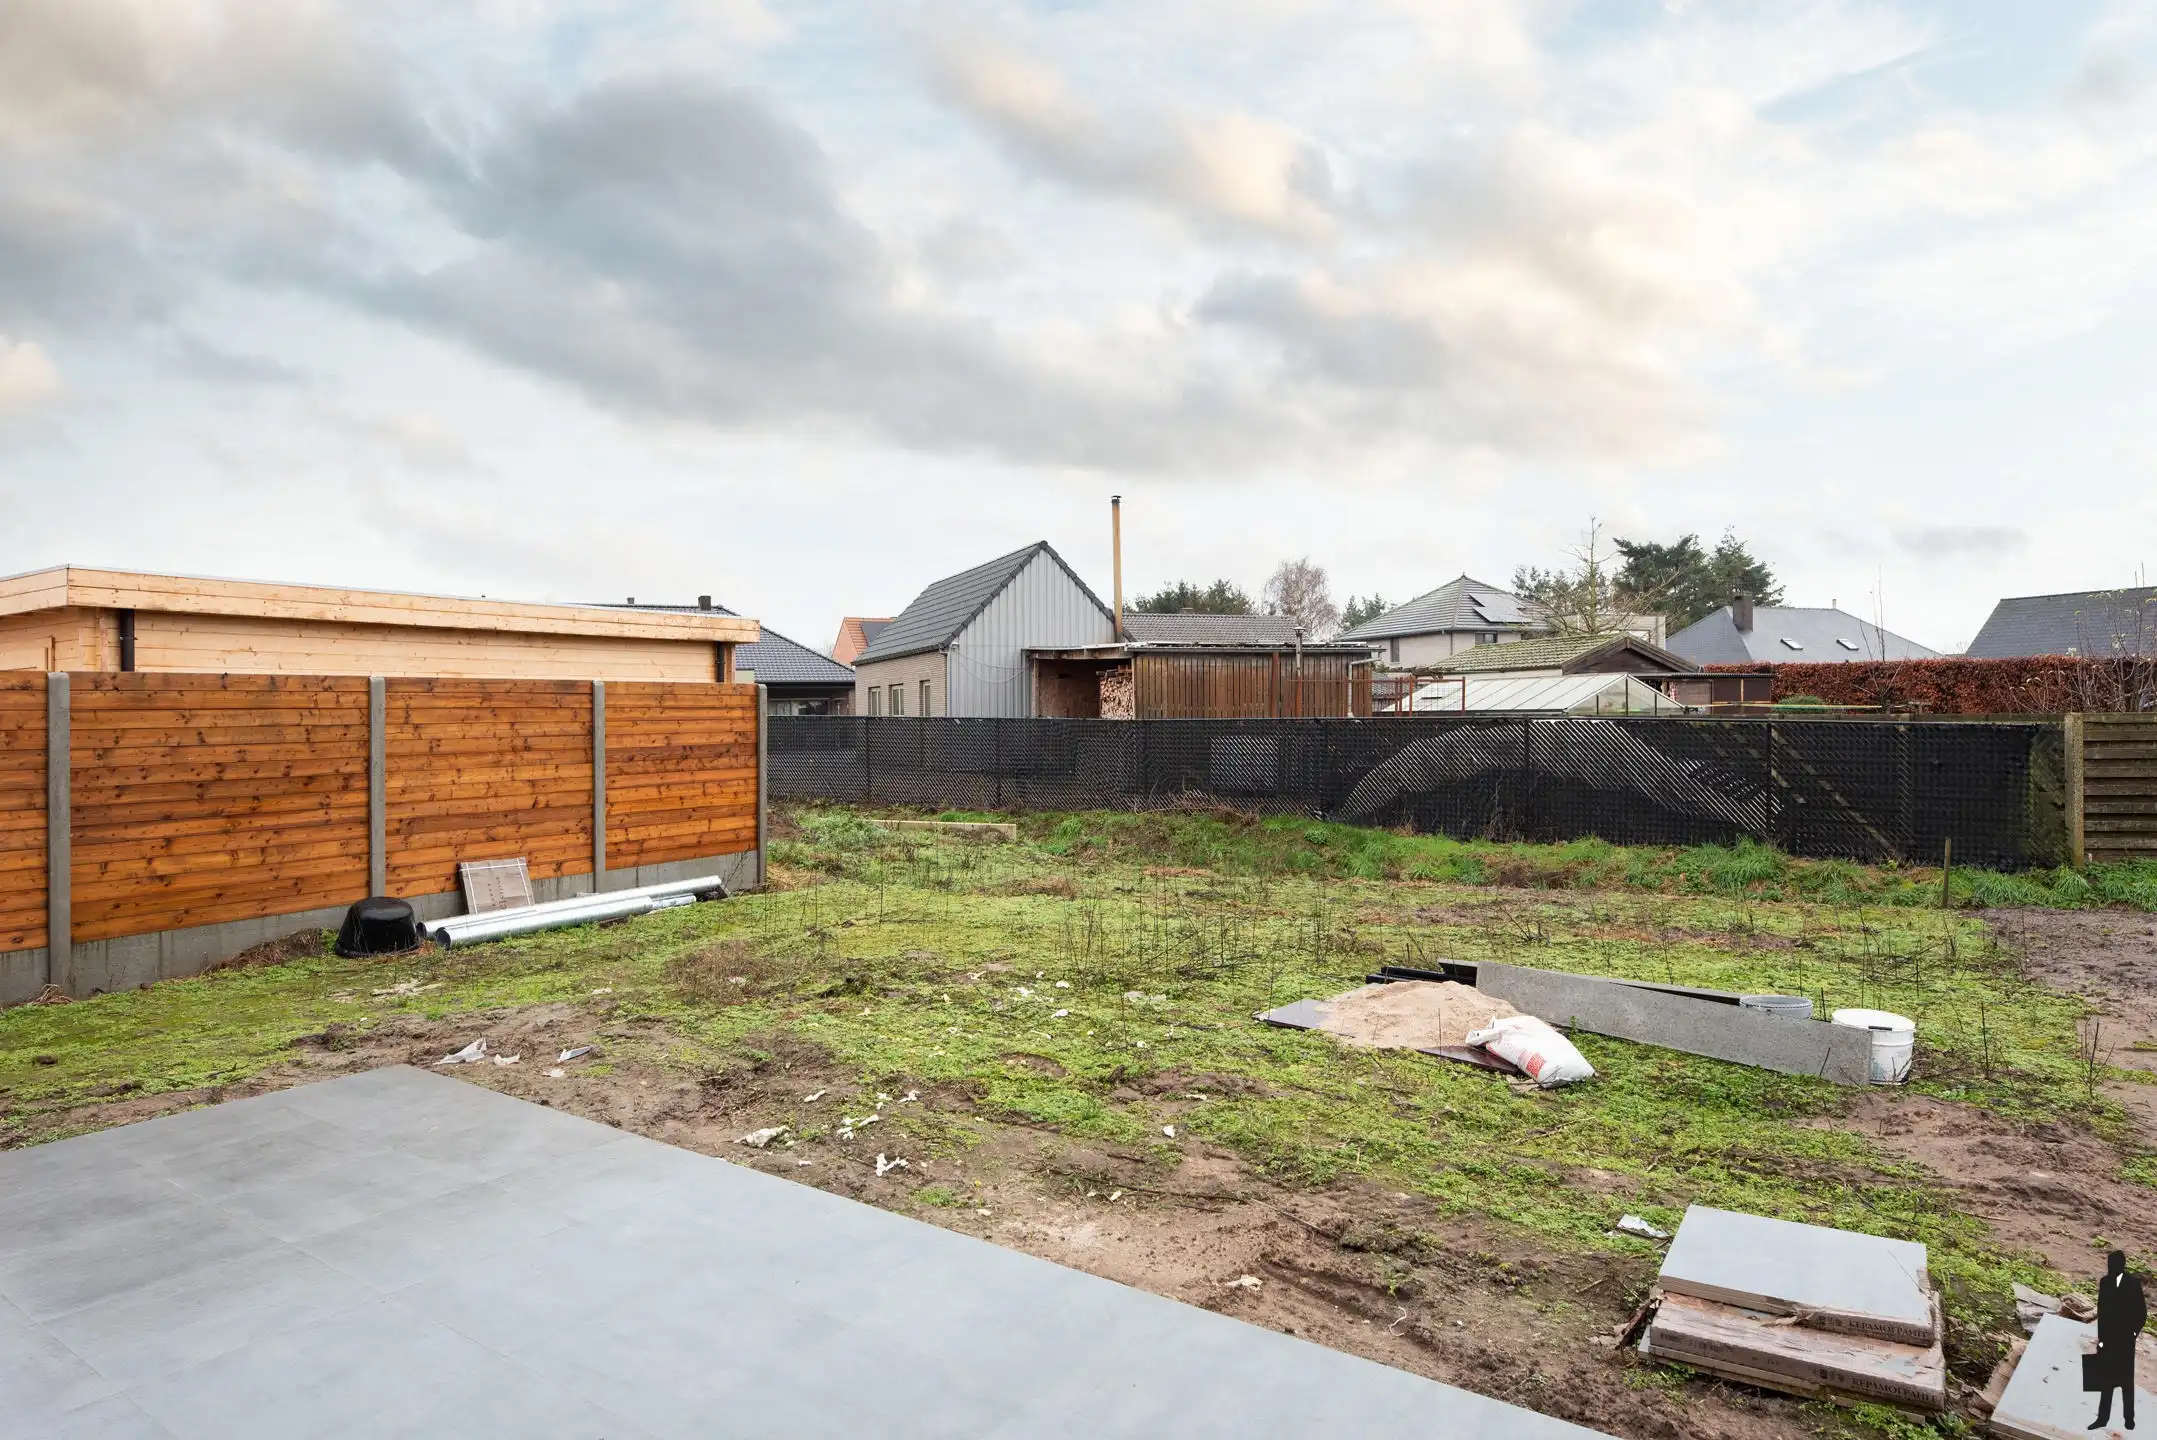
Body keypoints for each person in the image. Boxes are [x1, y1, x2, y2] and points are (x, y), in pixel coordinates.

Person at [2092, 1249, 2147, 1431]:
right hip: (2108, 1339)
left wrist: (2133, 1333)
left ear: (2121, 1266)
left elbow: (2142, 1312)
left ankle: (2129, 1420)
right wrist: (2101, 1339)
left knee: (2126, 1381)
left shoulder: (2133, 1284)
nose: (2110, 1268)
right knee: (2106, 1380)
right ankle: (2102, 1418)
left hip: (2125, 1339)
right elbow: (2102, 1312)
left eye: (2113, 1265)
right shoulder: (2105, 1282)